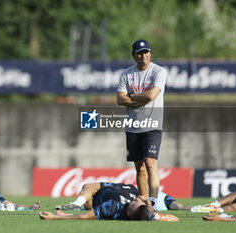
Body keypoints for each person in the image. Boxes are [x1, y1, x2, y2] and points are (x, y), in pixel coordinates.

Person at [116, 39, 167, 211]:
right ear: (133, 55)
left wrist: (131, 96)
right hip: (133, 125)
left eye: (146, 52)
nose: (143, 56)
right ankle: (144, 203)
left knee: (150, 162)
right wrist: (139, 97)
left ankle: (154, 202)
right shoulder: (126, 74)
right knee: (139, 166)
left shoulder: (159, 71)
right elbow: (119, 99)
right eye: (139, 53)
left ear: (150, 53)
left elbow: (151, 96)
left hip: (152, 123)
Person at [40, 182, 178, 221]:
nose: (137, 200)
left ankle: (78, 204)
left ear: (129, 213)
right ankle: (80, 203)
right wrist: (150, 207)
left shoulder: (113, 208)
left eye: (135, 203)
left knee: (88, 187)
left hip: (106, 192)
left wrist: (55, 217)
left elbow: (87, 216)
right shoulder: (144, 214)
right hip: (123, 188)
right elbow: (173, 219)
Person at [55, 182, 190, 211]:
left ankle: (77, 204)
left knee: (89, 188)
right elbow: (178, 207)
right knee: (180, 208)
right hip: (133, 197)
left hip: (125, 196)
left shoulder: (134, 192)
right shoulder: (163, 199)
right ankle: (77, 205)